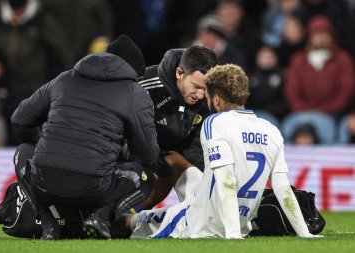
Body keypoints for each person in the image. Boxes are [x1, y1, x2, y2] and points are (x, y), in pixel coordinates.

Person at [128, 64, 320, 239]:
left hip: (201, 222)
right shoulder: (270, 129)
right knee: (173, 160)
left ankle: (121, 218)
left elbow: (226, 181)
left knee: (130, 224)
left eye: (208, 95)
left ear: (217, 99)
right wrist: (305, 233)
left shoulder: (215, 122)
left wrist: (233, 234)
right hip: (238, 219)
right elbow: (283, 189)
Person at [10, 35, 159, 240]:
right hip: (94, 187)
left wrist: (43, 147)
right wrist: (122, 153)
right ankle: (100, 217)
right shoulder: (136, 92)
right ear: (133, 71)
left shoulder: (63, 79)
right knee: (146, 176)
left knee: (22, 151)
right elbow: (148, 154)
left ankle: (48, 223)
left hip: (45, 181)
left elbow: (19, 120)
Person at [132, 45, 218, 212]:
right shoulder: (143, 86)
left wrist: (206, 180)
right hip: (129, 161)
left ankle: (205, 211)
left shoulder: (205, 100)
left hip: (163, 162)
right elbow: (117, 130)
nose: (200, 95)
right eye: (196, 86)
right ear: (179, 73)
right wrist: (146, 154)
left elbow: (195, 147)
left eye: (205, 89)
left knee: (172, 163)